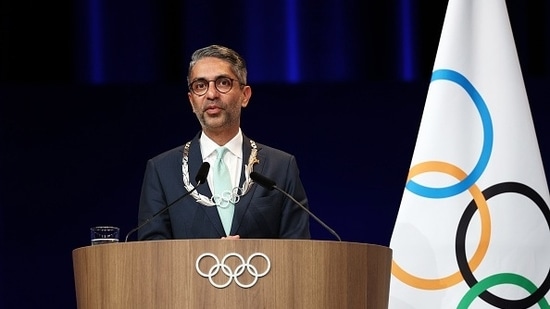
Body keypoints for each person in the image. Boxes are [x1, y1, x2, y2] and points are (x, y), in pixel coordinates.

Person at [136, 44, 311, 240]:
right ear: (191, 101)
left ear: (245, 95)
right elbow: (151, 254)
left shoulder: (280, 167)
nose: (211, 94)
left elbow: (298, 250)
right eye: (200, 86)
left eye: (223, 83)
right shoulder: (162, 170)